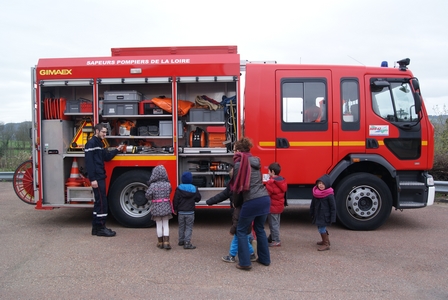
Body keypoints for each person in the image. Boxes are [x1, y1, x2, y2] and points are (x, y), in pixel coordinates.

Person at [232, 137, 271, 270]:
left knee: (241, 230)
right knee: (260, 229)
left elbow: (237, 188)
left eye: (234, 150)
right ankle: (265, 259)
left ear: (238, 150)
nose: (233, 153)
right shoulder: (256, 162)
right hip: (264, 198)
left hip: (252, 200)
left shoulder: (238, 164)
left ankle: (244, 263)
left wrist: (235, 203)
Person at [205, 167, 257, 263]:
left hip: (237, 213)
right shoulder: (247, 185)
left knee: (238, 236)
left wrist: (209, 201)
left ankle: (232, 255)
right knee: (243, 236)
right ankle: (251, 253)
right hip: (247, 212)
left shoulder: (231, 187)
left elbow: (221, 196)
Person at [85, 123, 124, 237]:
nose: (104, 134)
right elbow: (89, 163)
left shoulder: (99, 143)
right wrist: (93, 179)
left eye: (106, 132)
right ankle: (101, 228)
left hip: (100, 176)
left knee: (99, 203)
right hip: (97, 178)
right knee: (102, 203)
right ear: (96, 131)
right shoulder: (91, 144)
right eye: (103, 132)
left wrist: (117, 150)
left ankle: (96, 228)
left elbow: (106, 157)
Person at [145, 165, 173, 250]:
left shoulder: (153, 186)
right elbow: (170, 191)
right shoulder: (168, 184)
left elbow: (148, 195)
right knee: (166, 224)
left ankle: (160, 242)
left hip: (156, 208)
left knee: (159, 225)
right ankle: (167, 242)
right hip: (166, 207)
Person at [173, 171, 201, 249]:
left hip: (181, 212)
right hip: (190, 212)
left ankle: (181, 240)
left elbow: (175, 200)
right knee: (189, 227)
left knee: (181, 226)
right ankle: (187, 242)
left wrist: (175, 209)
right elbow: (198, 198)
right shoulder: (194, 188)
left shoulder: (179, 188)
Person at [310, 174, 336, 251]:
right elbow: (313, 204)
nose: (321, 185)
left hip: (324, 216)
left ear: (327, 185)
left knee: (321, 228)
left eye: (323, 184)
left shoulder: (329, 194)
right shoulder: (316, 193)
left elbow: (333, 207)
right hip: (318, 214)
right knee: (320, 227)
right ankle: (326, 240)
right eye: (319, 183)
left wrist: (333, 217)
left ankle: (326, 244)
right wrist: (311, 212)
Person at [265, 162, 287, 247]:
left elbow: (267, 194)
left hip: (272, 206)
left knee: (273, 224)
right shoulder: (282, 181)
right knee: (276, 223)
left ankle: (276, 240)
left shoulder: (271, 182)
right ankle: (272, 237)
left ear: (273, 172)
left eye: (269, 171)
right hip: (279, 206)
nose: (268, 172)